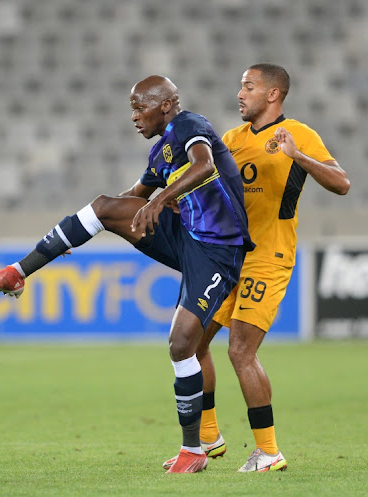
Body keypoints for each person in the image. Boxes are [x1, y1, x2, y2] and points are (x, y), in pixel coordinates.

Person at [0, 75, 254, 473]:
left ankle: (194, 449)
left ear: (166, 105)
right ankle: (18, 272)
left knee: (181, 344)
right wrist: (76, 233)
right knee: (104, 206)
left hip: (219, 251)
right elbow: (130, 201)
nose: (134, 116)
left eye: (139, 106)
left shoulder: (190, 126)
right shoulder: (160, 153)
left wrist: (162, 197)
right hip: (186, 236)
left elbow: (205, 165)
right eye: (132, 108)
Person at [160, 64, 350, 472]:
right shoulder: (230, 140)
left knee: (241, 351)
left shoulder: (298, 134)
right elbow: (207, 189)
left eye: (249, 86)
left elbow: (341, 183)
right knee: (193, 344)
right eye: (240, 86)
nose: (240, 93)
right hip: (227, 257)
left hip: (269, 257)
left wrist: (297, 156)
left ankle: (269, 451)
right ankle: (208, 439)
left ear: (273, 95)